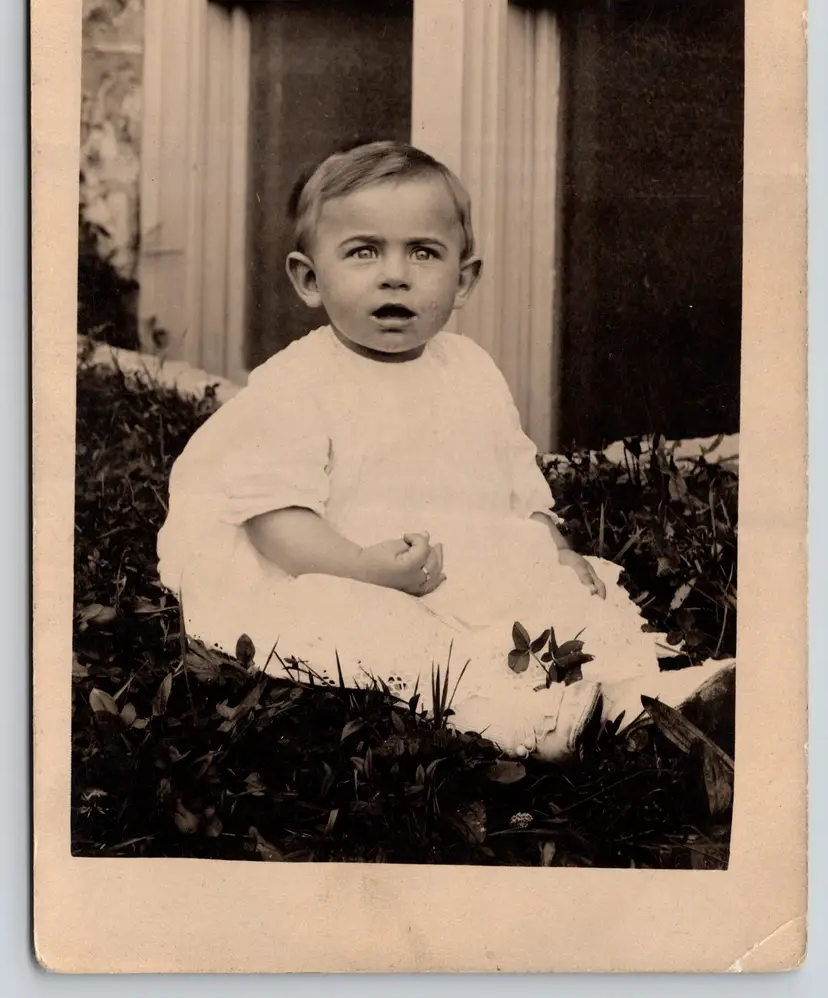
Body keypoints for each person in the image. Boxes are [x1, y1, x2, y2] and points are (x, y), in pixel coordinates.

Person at [157, 141, 732, 763]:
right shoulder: (296, 384)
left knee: (562, 601)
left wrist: (557, 547)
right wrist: (363, 567)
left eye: (423, 252)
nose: (395, 274)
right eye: (363, 251)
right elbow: (275, 519)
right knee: (382, 635)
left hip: (470, 568)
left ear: (462, 280)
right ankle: (521, 721)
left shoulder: (471, 368)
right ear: (309, 279)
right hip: (344, 569)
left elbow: (514, 478)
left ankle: (638, 696)